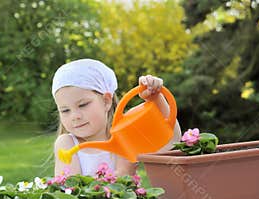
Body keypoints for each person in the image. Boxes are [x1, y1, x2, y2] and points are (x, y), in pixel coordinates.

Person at [52, 58, 181, 177]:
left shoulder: (125, 136)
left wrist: (156, 98)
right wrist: (124, 173)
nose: (75, 116)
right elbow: (73, 191)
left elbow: (170, 141)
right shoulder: (67, 144)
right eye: (65, 110)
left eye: (83, 105)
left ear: (106, 101)